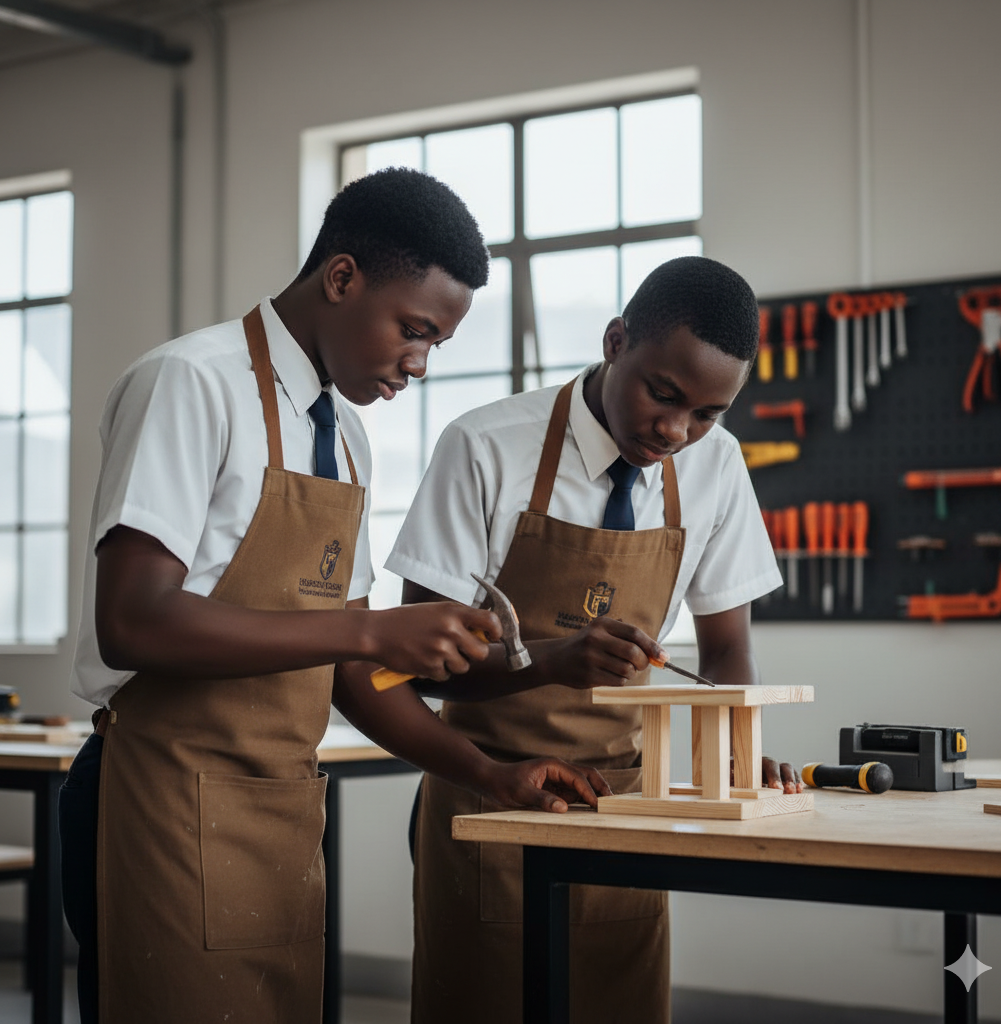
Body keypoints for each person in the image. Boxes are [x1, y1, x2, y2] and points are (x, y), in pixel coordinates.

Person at [59, 167, 607, 1024]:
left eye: (437, 346)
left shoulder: (345, 436)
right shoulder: (191, 383)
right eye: (414, 330)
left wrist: (488, 772)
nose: (419, 365)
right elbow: (133, 621)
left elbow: (353, 669)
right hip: (157, 796)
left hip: (275, 808)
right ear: (342, 278)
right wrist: (372, 631)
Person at [386, 255, 802, 1024]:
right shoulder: (485, 447)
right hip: (492, 797)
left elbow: (726, 649)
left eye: (708, 413)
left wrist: (740, 744)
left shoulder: (715, 464)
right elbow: (421, 670)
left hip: (624, 808)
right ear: (615, 342)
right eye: (664, 395)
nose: (676, 431)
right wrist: (545, 659)